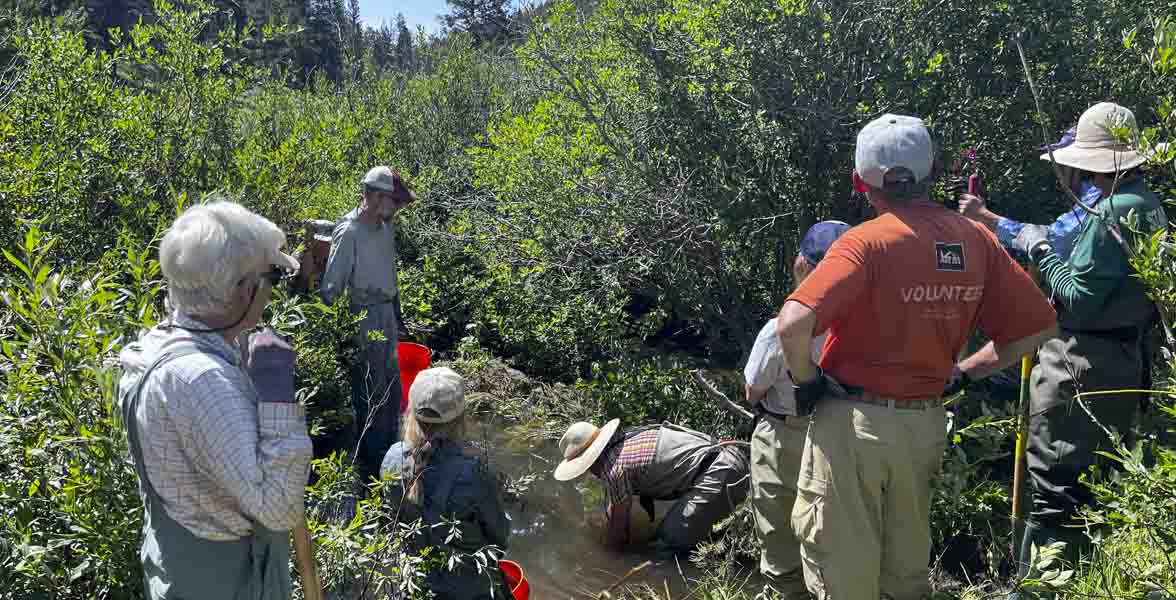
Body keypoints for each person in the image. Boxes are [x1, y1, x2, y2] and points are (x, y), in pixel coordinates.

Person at [775, 114, 1059, 600]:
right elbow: (1039, 328)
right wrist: (966, 373)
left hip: (852, 427)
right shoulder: (976, 240)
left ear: (860, 182)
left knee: (842, 575)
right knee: (904, 575)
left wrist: (807, 384)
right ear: (930, 172)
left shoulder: (865, 242)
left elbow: (794, 325)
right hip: (924, 425)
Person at [958, 102, 1166, 590]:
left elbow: (1081, 296)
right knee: (1092, 481)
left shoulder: (1113, 209)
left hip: (1081, 364)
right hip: (1123, 358)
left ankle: (1035, 585)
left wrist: (1042, 254)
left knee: (1055, 479)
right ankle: (1082, 579)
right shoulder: (1142, 200)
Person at [118, 200, 313, 599]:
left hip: (183, 568)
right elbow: (279, 509)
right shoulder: (202, 380)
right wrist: (277, 397)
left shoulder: (156, 348)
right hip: (229, 582)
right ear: (245, 290)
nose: (273, 291)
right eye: (273, 276)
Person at [743, 220, 849, 596]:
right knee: (830, 530)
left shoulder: (779, 329)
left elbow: (752, 391)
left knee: (779, 529)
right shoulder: (856, 327)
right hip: (841, 435)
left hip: (783, 435)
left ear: (802, 265)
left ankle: (786, 591)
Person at [320, 165, 418, 484]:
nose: (397, 210)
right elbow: (331, 289)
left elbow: (389, 273)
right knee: (373, 390)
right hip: (365, 317)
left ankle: (393, 454)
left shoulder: (384, 226)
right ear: (376, 197)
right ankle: (372, 468)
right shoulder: (349, 232)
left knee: (392, 388)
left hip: (387, 313)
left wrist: (398, 315)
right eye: (394, 202)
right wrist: (342, 333)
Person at [380, 367, 513, 600]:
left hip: (416, 584)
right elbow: (499, 539)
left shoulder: (391, 458)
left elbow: (391, 521)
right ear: (460, 419)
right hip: (470, 590)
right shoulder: (473, 474)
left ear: (410, 411)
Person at [553, 418, 750, 560]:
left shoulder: (614, 468)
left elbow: (619, 527)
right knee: (695, 534)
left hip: (722, 474)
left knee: (663, 548)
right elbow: (619, 503)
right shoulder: (627, 440)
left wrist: (610, 558)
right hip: (733, 459)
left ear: (590, 461)